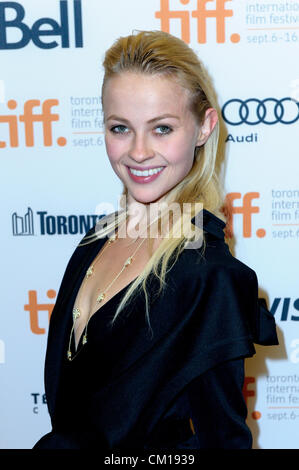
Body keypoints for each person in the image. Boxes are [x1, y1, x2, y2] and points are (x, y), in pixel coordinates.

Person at [34, 30, 278, 450]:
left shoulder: (208, 277)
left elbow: (223, 442)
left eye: (162, 128)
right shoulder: (95, 241)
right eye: (120, 128)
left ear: (203, 127)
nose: (140, 152)